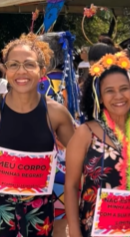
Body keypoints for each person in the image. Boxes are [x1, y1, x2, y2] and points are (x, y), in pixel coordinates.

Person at [65, 52, 130, 237]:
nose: (118, 96)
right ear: (99, 96)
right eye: (109, 91)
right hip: (97, 230)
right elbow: (72, 185)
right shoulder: (85, 133)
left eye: (124, 88)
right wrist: (74, 229)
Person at [0, 33, 74, 237]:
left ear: (42, 71)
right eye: (13, 64)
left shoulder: (56, 113)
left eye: (29, 65)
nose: (21, 71)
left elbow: (82, 161)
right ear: (5, 71)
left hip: (40, 215)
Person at [38, 31, 82, 237]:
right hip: (70, 162)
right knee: (61, 224)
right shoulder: (73, 82)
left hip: (45, 164)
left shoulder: (40, 85)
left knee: (45, 223)